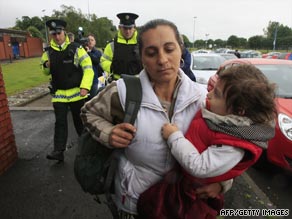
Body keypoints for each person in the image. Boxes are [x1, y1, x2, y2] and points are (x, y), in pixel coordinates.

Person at [80, 19, 232, 218]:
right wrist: (108, 134)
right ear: (142, 57)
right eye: (151, 53)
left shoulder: (203, 98)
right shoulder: (123, 92)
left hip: (185, 203)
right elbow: (88, 112)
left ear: (181, 50)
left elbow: (230, 144)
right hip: (135, 202)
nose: (162, 60)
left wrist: (222, 182)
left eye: (169, 49)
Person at [138, 64, 276, 219]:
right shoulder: (223, 115)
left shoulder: (233, 145)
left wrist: (174, 136)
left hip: (191, 194)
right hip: (177, 182)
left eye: (216, 94)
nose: (208, 95)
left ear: (239, 110)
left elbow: (200, 166)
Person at [41, 19, 94, 162]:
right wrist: (46, 65)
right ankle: (58, 151)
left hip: (77, 94)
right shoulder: (48, 52)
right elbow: (45, 72)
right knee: (60, 123)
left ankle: (86, 150)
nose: (57, 37)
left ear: (64, 32)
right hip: (59, 95)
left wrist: (85, 87)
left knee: (80, 123)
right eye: (54, 34)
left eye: (59, 33)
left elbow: (88, 68)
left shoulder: (76, 48)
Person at [100, 12, 143, 81]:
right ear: (120, 27)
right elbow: (103, 60)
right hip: (117, 82)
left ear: (134, 28)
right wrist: (111, 67)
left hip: (137, 83)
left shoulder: (142, 45)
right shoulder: (112, 45)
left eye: (130, 28)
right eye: (125, 28)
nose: (127, 31)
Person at [85, 33, 103, 99]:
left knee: (93, 100)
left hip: (94, 81)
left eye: (92, 40)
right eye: (88, 40)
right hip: (83, 81)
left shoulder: (98, 52)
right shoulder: (82, 51)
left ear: (95, 42)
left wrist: (89, 53)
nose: (90, 41)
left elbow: (96, 61)